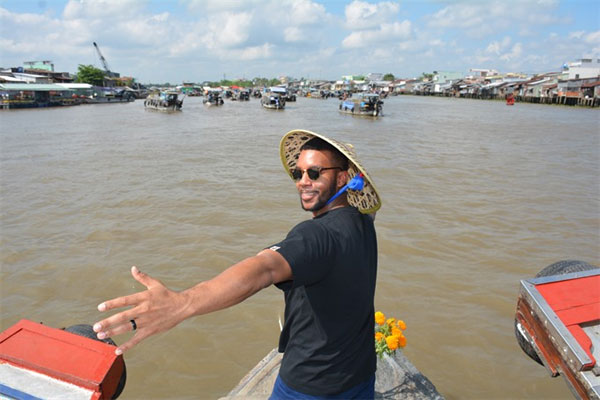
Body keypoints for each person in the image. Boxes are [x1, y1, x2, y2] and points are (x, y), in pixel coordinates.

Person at [93, 129, 382, 398]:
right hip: (360, 376)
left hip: (311, 384)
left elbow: (264, 268)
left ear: (343, 178)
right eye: (298, 172)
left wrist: (182, 304)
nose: (303, 181)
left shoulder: (316, 234)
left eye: (315, 173)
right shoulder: (363, 222)